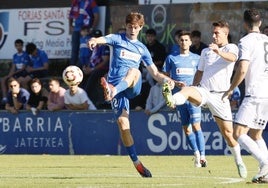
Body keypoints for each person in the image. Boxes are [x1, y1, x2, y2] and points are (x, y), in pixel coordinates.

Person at [87, 12, 174, 177]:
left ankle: (112, 91)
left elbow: (155, 73)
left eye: (136, 27)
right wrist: (94, 40)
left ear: (141, 28)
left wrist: (169, 81)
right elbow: (102, 39)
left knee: (134, 70)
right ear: (126, 26)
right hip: (117, 89)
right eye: (129, 27)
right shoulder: (117, 39)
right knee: (123, 124)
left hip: (132, 86)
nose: (132, 30)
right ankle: (137, 164)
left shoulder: (142, 49)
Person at [162, 20, 247, 178]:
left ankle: (239, 160)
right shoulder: (205, 52)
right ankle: (172, 100)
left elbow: (233, 58)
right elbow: (199, 72)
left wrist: (218, 52)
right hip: (205, 91)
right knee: (187, 90)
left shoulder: (231, 48)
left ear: (225, 34)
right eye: (213, 32)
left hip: (221, 96)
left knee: (228, 134)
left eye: (217, 33)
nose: (213, 36)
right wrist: (193, 87)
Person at [222, 8, 268, 183]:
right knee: (256, 135)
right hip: (267, 94)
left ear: (244, 23)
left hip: (254, 93)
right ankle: (266, 173)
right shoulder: (266, 40)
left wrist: (231, 88)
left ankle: (264, 163)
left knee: (238, 133)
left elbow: (242, 69)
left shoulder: (245, 41)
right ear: (260, 23)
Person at [162, 31, 206, 167]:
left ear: (191, 42)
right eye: (181, 40)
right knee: (186, 129)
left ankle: (203, 156)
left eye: (186, 40)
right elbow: (164, 77)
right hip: (179, 98)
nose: (184, 42)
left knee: (196, 125)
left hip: (193, 96)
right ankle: (196, 155)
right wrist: (173, 82)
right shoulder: (171, 58)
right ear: (178, 42)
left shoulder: (197, 58)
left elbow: (202, 75)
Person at [83, 29, 110, 108]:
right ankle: (80, 97)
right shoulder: (93, 47)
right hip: (93, 68)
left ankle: (86, 98)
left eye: (98, 37)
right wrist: (87, 67)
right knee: (81, 75)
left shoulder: (105, 47)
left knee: (94, 75)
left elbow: (104, 61)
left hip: (103, 68)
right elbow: (91, 59)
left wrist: (91, 69)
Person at [69, 0, 99, 66]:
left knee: (88, 49)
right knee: (75, 49)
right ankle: (72, 68)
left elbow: (96, 15)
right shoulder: (75, 2)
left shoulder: (91, 2)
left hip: (86, 30)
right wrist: (70, 26)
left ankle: (88, 67)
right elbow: (71, 14)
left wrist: (92, 28)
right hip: (76, 29)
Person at [1, 39, 29, 104]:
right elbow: (13, 68)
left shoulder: (25, 55)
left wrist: (12, 74)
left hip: (23, 73)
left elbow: (23, 68)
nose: (18, 47)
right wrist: (9, 75)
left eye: (20, 46)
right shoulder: (15, 56)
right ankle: (5, 98)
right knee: (4, 79)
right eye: (17, 46)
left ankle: (22, 99)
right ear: (15, 46)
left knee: (13, 81)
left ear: (22, 46)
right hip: (16, 73)